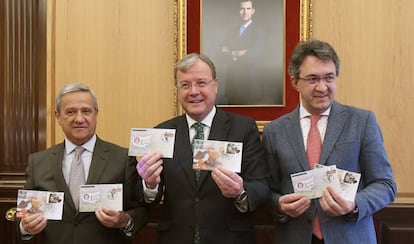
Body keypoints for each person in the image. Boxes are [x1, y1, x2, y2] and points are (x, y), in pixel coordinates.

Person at [262, 39, 397, 244]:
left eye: (329, 78)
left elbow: (385, 184)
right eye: (313, 79)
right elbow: (266, 190)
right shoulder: (275, 131)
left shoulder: (362, 122)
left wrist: (354, 204)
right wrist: (279, 205)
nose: (322, 87)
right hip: (295, 236)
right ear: (294, 82)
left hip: (350, 235)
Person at [136, 53, 269, 244]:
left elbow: (261, 185)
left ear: (215, 85)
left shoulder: (243, 128)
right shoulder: (162, 132)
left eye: (201, 83)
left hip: (229, 239)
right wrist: (150, 184)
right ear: (177, 89)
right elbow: (148, 199)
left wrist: (239, 191)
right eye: (185, 85)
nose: (193, 91)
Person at [18, 83, 148, 243]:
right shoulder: (38, 162)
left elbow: (141, 209)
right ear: (58, 116)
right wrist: (25, 227)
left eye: (86, 111)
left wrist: (124, 220)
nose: (79, 119)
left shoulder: (122, 158)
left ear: (96, 114)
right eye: (70, 112)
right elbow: (24, 213)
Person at [220, 0, 265, 105]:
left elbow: (253, 56)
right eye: (242, 9)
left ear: (253, 11)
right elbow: (220, 54)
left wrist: (231, 52)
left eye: (248, 9)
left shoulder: (258, 31)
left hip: (249, 86)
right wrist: (240, 52)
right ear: (238, 11)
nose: (245, 12)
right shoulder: (231, 31)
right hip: (232, 86)